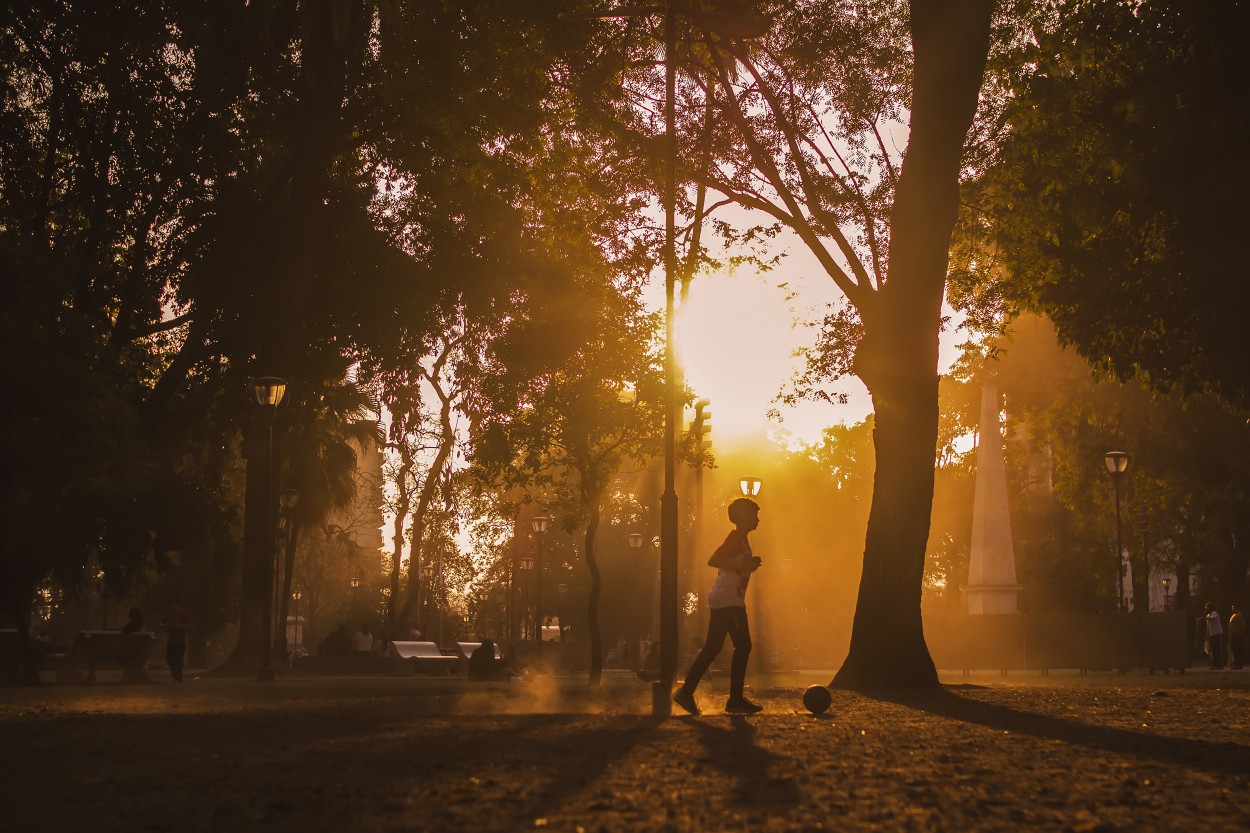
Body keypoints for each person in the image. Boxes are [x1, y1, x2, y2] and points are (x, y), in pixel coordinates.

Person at [673, 498, 764, 715]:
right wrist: (744, 565)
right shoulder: (736, 537)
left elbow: (731, 565)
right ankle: (734, 700)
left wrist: (748, 566)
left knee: (713, 647)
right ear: (743, 517)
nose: (758, 519)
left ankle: (686, 693)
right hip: (728, 600)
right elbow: (714, 560)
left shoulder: (741, 539)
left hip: (726, 599)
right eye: (754, 515)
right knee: (743, 645)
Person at [159, 598, 192, 682]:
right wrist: (166, 625)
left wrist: (179, 626)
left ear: (179, 604)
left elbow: (190, 626)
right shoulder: (169, 614)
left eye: (174, 604)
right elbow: (161, 623)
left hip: (180, 641)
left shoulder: (184, 615)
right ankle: (174, 676)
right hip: (171, 641)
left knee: (178, 660)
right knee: (169, 659)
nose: (172, 606)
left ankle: (178, 678)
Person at [1204, 602, 1225, 670]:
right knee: (1213, 650)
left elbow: (1213, 618)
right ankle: (1215, 664)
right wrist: (1206, 635)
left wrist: (1205, 618)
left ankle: (1220, 665)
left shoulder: (1214, 613)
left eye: (1206, 608)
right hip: (1212, 634)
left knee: (1217, 650)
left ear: (1210, 608)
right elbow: (1208, 627)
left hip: (1217, 633)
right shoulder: (1208, 615)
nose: (1205, 609)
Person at [1228, 603, 1245, 670]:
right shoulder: (1234, 615)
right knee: (1234, 651)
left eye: (1233, 607)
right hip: (1232, 636)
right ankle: (1236, 664)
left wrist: (1238, 634)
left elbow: (1242, 625)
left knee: (1237, 651)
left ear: (1237, 607)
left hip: (1236, 636)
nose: (1232, 609)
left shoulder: (1239, 615)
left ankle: (1238, 665)